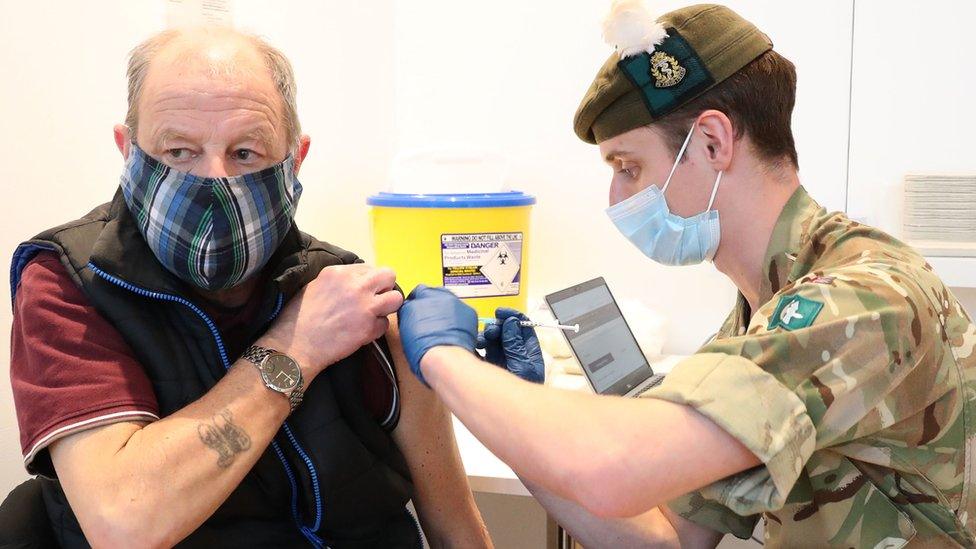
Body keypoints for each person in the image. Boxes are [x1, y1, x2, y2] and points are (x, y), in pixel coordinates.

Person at [396, 2, 976, 547]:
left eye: (628, 166)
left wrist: (447, 362)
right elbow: (668, 535)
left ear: (713, 141)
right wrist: (519, 410)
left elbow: (610, 472)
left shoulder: (860, 300)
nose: (617, 195)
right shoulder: (762, 307)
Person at [6, 27, 490, 548]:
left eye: (245, 153)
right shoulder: (72, 285)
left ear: (294, 159)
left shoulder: (350, 299)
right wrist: (296, 346)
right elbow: (125, 523)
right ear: (128, 150)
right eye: (178, 151)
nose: (213, 179)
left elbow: (455, 526)